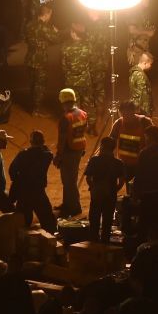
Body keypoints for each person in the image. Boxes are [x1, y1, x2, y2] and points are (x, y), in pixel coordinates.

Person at [8, 130, 58, 232]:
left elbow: (12, 170)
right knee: (47, 219)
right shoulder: (46, 156)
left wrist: (18, 180)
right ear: (42, 142)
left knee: (23, 221)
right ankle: (51, 240)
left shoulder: (22, 154)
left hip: (24, 191)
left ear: (31, 141)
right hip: (38, 191)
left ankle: (22, 241)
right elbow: (48, 152)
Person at [55, 88, 88, 217]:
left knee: (69, 181)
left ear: (63, 102)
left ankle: (74, 208)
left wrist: (58, 155)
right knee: (68, 180)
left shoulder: (66, 118)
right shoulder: (83, 114)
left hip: (68, 151)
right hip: (79, 149)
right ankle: (67, 203)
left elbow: (62, 139)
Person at [85, 137, 125, 243]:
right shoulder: (118, 163)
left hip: (96, 194)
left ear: (102, 146)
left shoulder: (94, 160)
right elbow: (121, 182)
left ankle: (93, 243)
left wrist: (93, 187)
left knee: (94, 221)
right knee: (107, 222)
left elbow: (88, 178)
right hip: (111, 195)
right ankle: (105, 245)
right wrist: (114, 190)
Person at [25, 4, 58, 116]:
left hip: (30, 58)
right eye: (50, 14)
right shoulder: (44, 27)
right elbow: (54, 39)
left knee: (32, 83)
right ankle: (37, 109)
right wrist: (55, 31)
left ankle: (32, 106)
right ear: (47, 14)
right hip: (40, 60)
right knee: (40, 85)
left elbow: (27, 38)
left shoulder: (29, 25)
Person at [109, 100, 154, 182]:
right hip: (124, 165)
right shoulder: (118, 123)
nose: (126, 117)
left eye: (128, 114)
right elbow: (109, 143)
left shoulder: (145, 122)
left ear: (134, 111)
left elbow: (154, 142)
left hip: (142, 165)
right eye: (123, 114)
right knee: (129, 188)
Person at [61, 23, 93, 113]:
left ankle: (77, 124)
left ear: (74, 33)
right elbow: (92, 62)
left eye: (71, 31)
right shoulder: (88, 46)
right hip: (85, 80)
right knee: (88, 104)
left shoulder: (66, 47)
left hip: (71, 81)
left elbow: (63, 66)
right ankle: (91, 125)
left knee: (74, 106)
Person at [129, 51, 154, 116]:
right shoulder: (140, 76)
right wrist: (147, 113)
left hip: (135, 106)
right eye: (150, 64)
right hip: (141, 109)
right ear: (145, 63)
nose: (151, 66)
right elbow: (144, 96)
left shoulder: (134, 71)